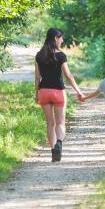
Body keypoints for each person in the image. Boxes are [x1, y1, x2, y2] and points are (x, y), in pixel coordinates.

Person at [35, 28, 84, 162]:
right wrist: (79, 91)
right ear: (56, 38)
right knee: (60, 122)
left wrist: (36, 94)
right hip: (58, 92)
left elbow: (37, 77)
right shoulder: (61, 55)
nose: (62, 40)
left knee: (50, 123)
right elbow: (68, 76)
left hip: (44, 91)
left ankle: (53, 153)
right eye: (61, 38)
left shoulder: (39, 55)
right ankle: (59, 144)